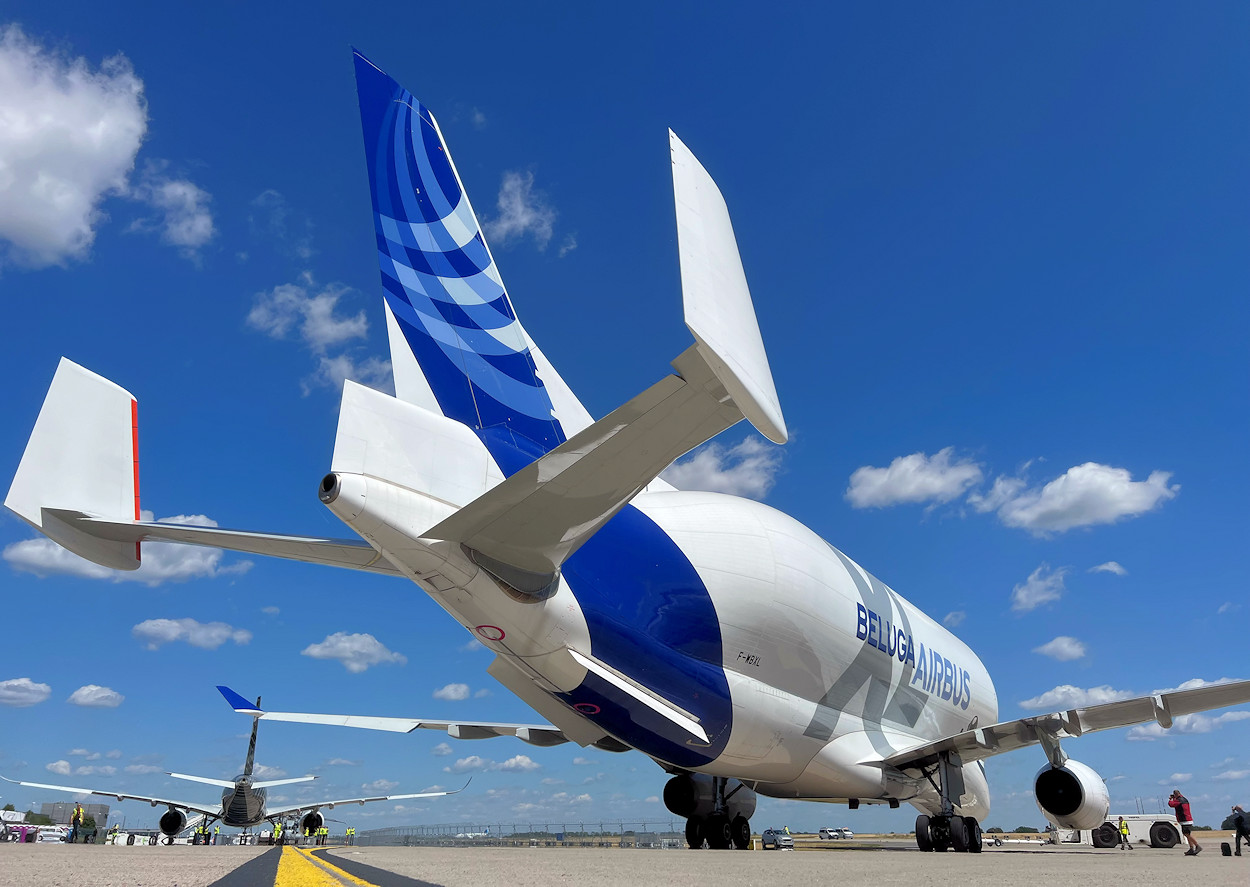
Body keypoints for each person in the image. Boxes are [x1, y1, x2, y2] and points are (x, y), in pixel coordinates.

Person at [1169, 789, 1201, 856]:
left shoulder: (1179, 800)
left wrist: (1170, 799)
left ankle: (1197, 846)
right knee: (1187, 834)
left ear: (1175, 794)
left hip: (1185, 820)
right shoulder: (1183, 799)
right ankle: (1191, 848)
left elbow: (1171, 804)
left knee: (1187, 834)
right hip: (1187, 819)